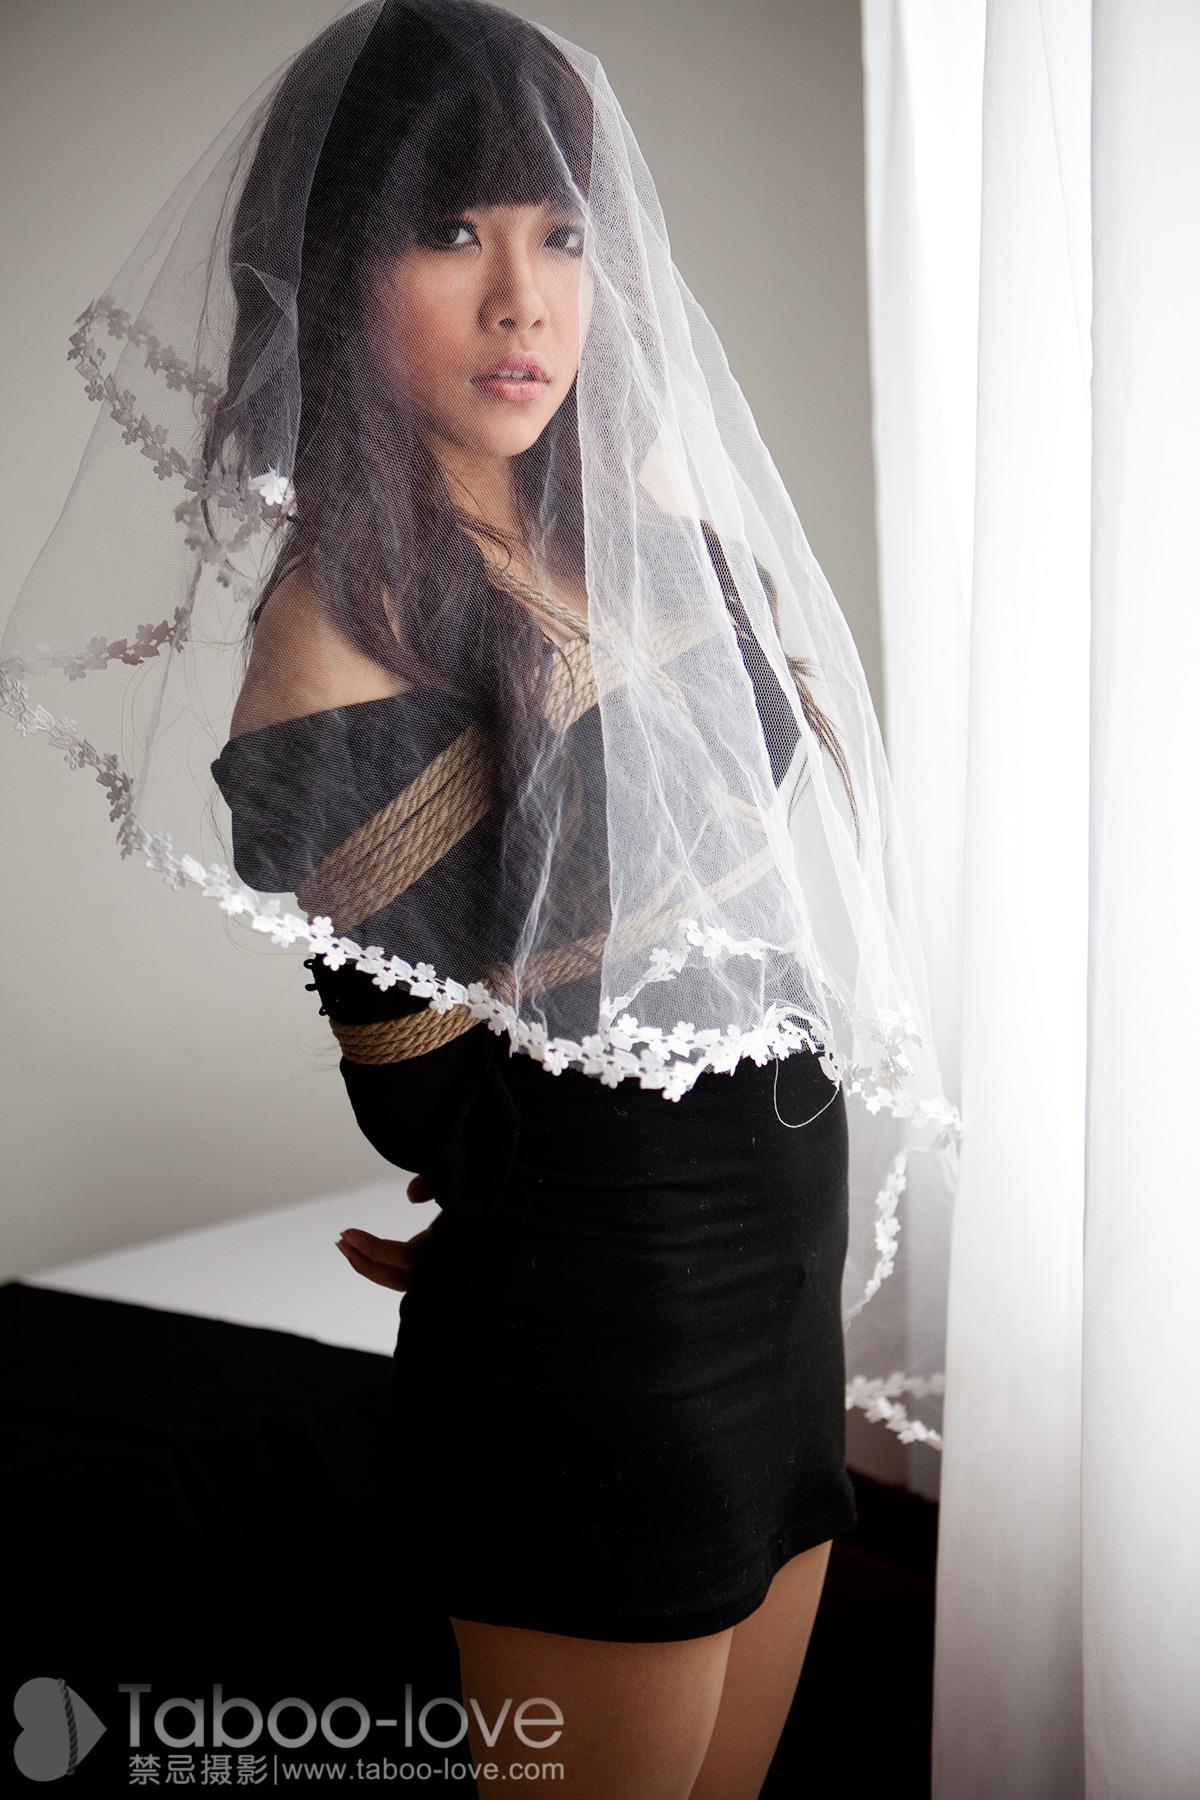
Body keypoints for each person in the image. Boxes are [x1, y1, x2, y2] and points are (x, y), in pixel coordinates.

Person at [2, 3, 961, 1793]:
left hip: (774, 1276)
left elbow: (733, 829)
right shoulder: (331, 641)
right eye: (450, 232)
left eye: (562, 234)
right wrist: (503, 1207)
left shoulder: (620, 517)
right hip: (604, 1330)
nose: (527, 302)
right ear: (333, 274)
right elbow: (431, 1094)